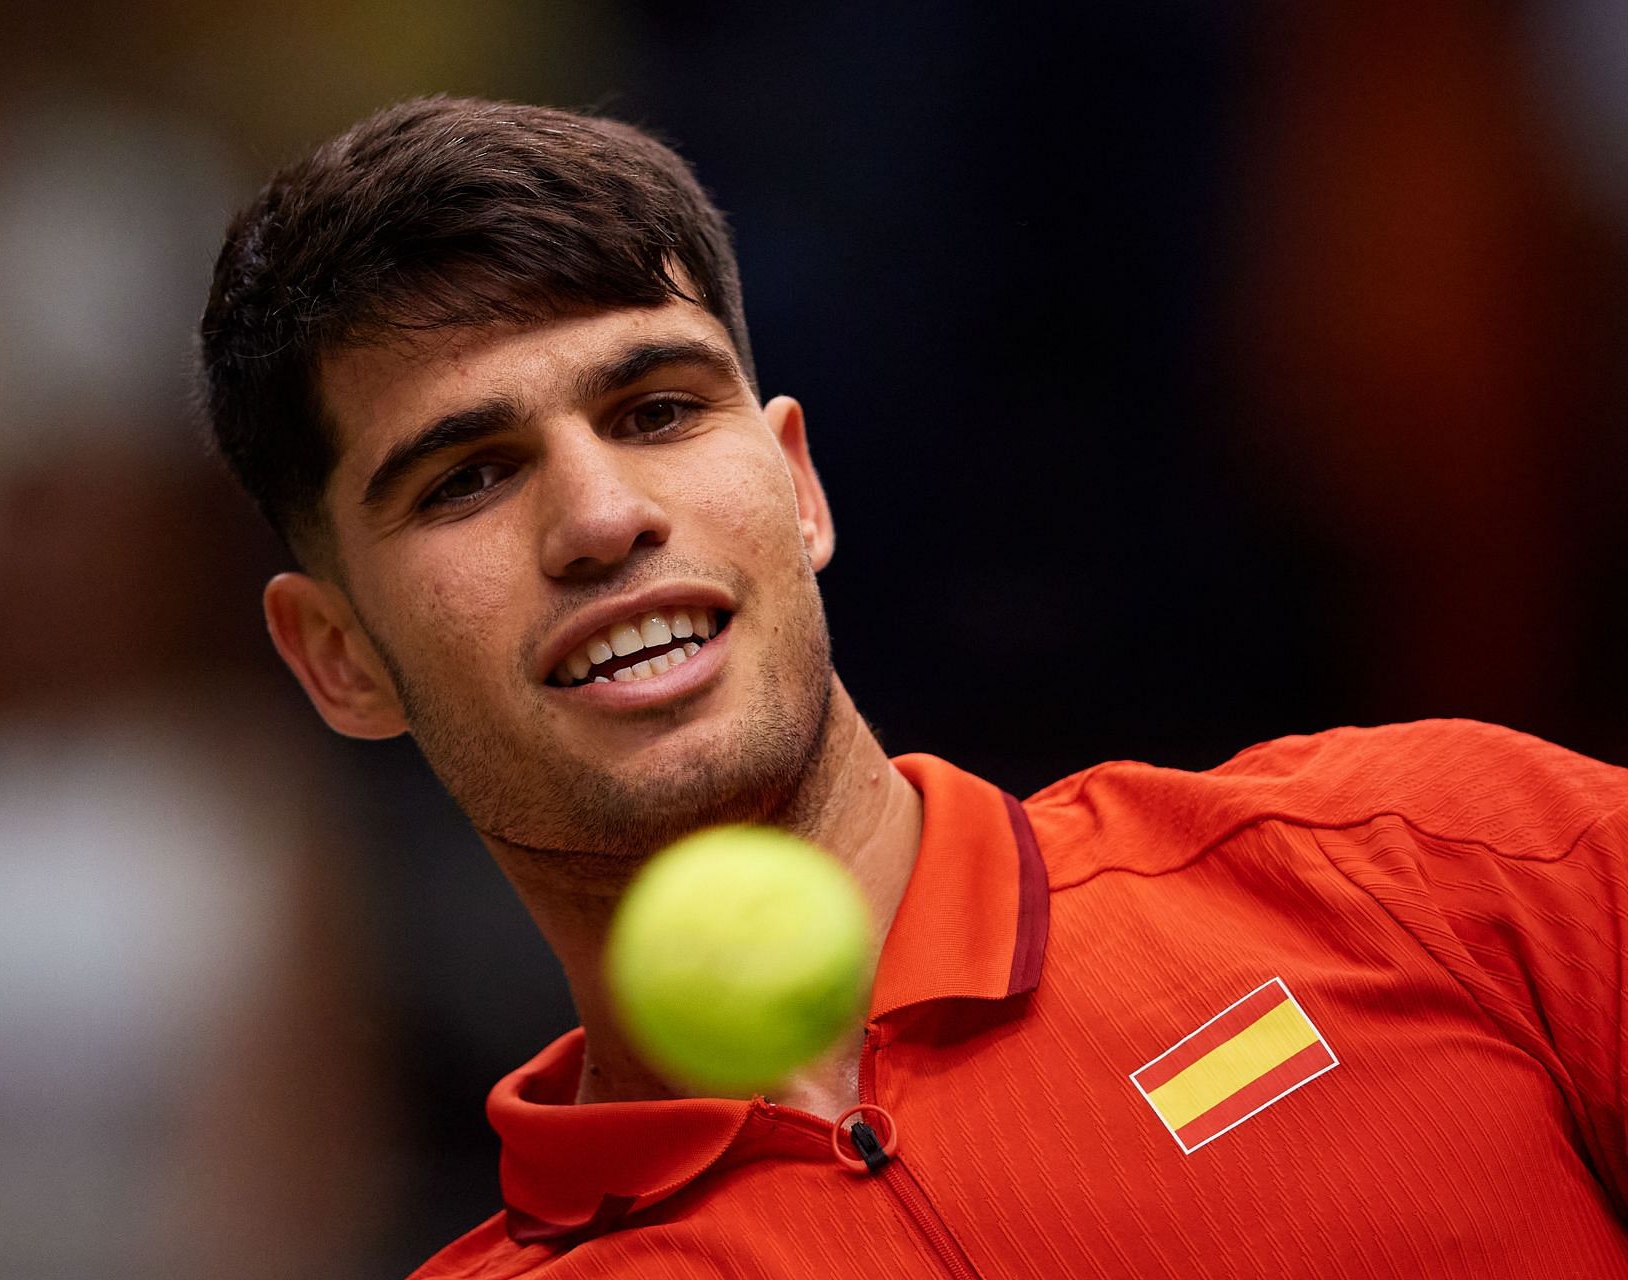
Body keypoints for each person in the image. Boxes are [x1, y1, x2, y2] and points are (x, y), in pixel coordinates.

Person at [198, 96, 1628, 1278]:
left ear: (801, 488)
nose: (602, 518)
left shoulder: (1433, 862)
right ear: (338, 658)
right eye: (469, 477)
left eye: (658, 410)